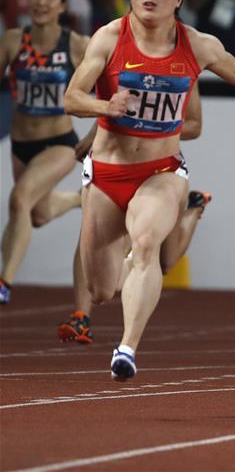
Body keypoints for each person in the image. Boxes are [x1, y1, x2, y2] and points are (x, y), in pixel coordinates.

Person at [63, 0, 235, 380]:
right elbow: (72, 97)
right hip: (107, 174)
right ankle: (184, 220)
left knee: (145, 246)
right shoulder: (109, 38)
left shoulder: (198, 45)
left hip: (160, 170)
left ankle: (127, 347)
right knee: (100, 288)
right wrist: (104, 105)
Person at [57, 86, 211, 344]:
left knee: (165, 261)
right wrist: (95, 133)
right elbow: (107, 106)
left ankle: (193, 210)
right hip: (114, 169)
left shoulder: (186, 61)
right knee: (92, 237)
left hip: (159, 173)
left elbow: (194, 126)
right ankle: (81, 315)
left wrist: (150, 130)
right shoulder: (119, 54)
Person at [0, 0, 88, 305]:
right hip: (21, 146)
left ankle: (4, 282)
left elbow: (108, 81)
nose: (41, 3)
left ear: (62, 6)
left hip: (60, 144)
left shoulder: (77, 45)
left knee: (19, 199)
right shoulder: (12, 41)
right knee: (35, 214)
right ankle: (80, 199)